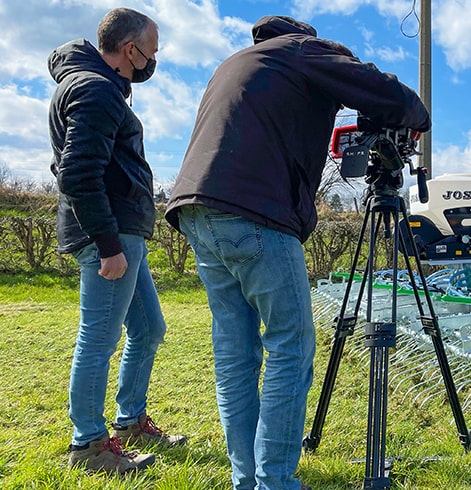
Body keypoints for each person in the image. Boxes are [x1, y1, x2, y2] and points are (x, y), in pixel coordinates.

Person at [165, 16, 431, 490]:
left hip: (195, 212)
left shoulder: (238, 64)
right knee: (290, 346)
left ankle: (246, 479)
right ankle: (276, 481)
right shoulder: (302, 51)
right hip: (254, 213)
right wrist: (413, 119)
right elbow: (396, 97)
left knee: (234, 352)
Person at [48, 7, 186, 475]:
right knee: (99, 339)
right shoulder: (96, 90)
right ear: (131, 50)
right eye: (153, 50)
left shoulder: (95, 86)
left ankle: (128, 422)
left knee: (149, 329)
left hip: (123, 232)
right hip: (109, 235)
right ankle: (88, 445)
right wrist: (108, 246)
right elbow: (77, 174)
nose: (153, 59)